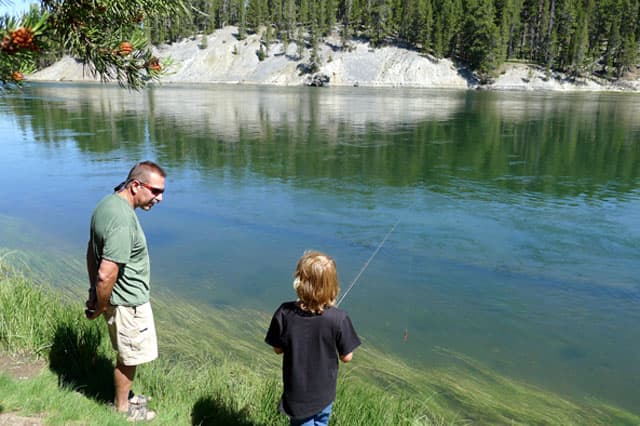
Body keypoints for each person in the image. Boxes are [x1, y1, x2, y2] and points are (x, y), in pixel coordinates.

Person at [85, 160, 166, 422]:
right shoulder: (122, 221)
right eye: (155, 191)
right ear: (135, 186)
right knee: (129, 357)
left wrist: (94, 293)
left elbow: (91, 250)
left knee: (128, 353)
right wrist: (100, 304)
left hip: (119, 302)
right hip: (127, 304)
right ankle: (122, 409)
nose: (160, 198)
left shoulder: (107, 205)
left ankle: (126, 397)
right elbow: (106, 273)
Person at [265, 250, 361, 426]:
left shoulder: (284, 313)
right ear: (333, 286)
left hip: (297, 397)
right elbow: (347, 357)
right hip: (325, 396)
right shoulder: (339, 318)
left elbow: (277, 349)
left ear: (299, 283)